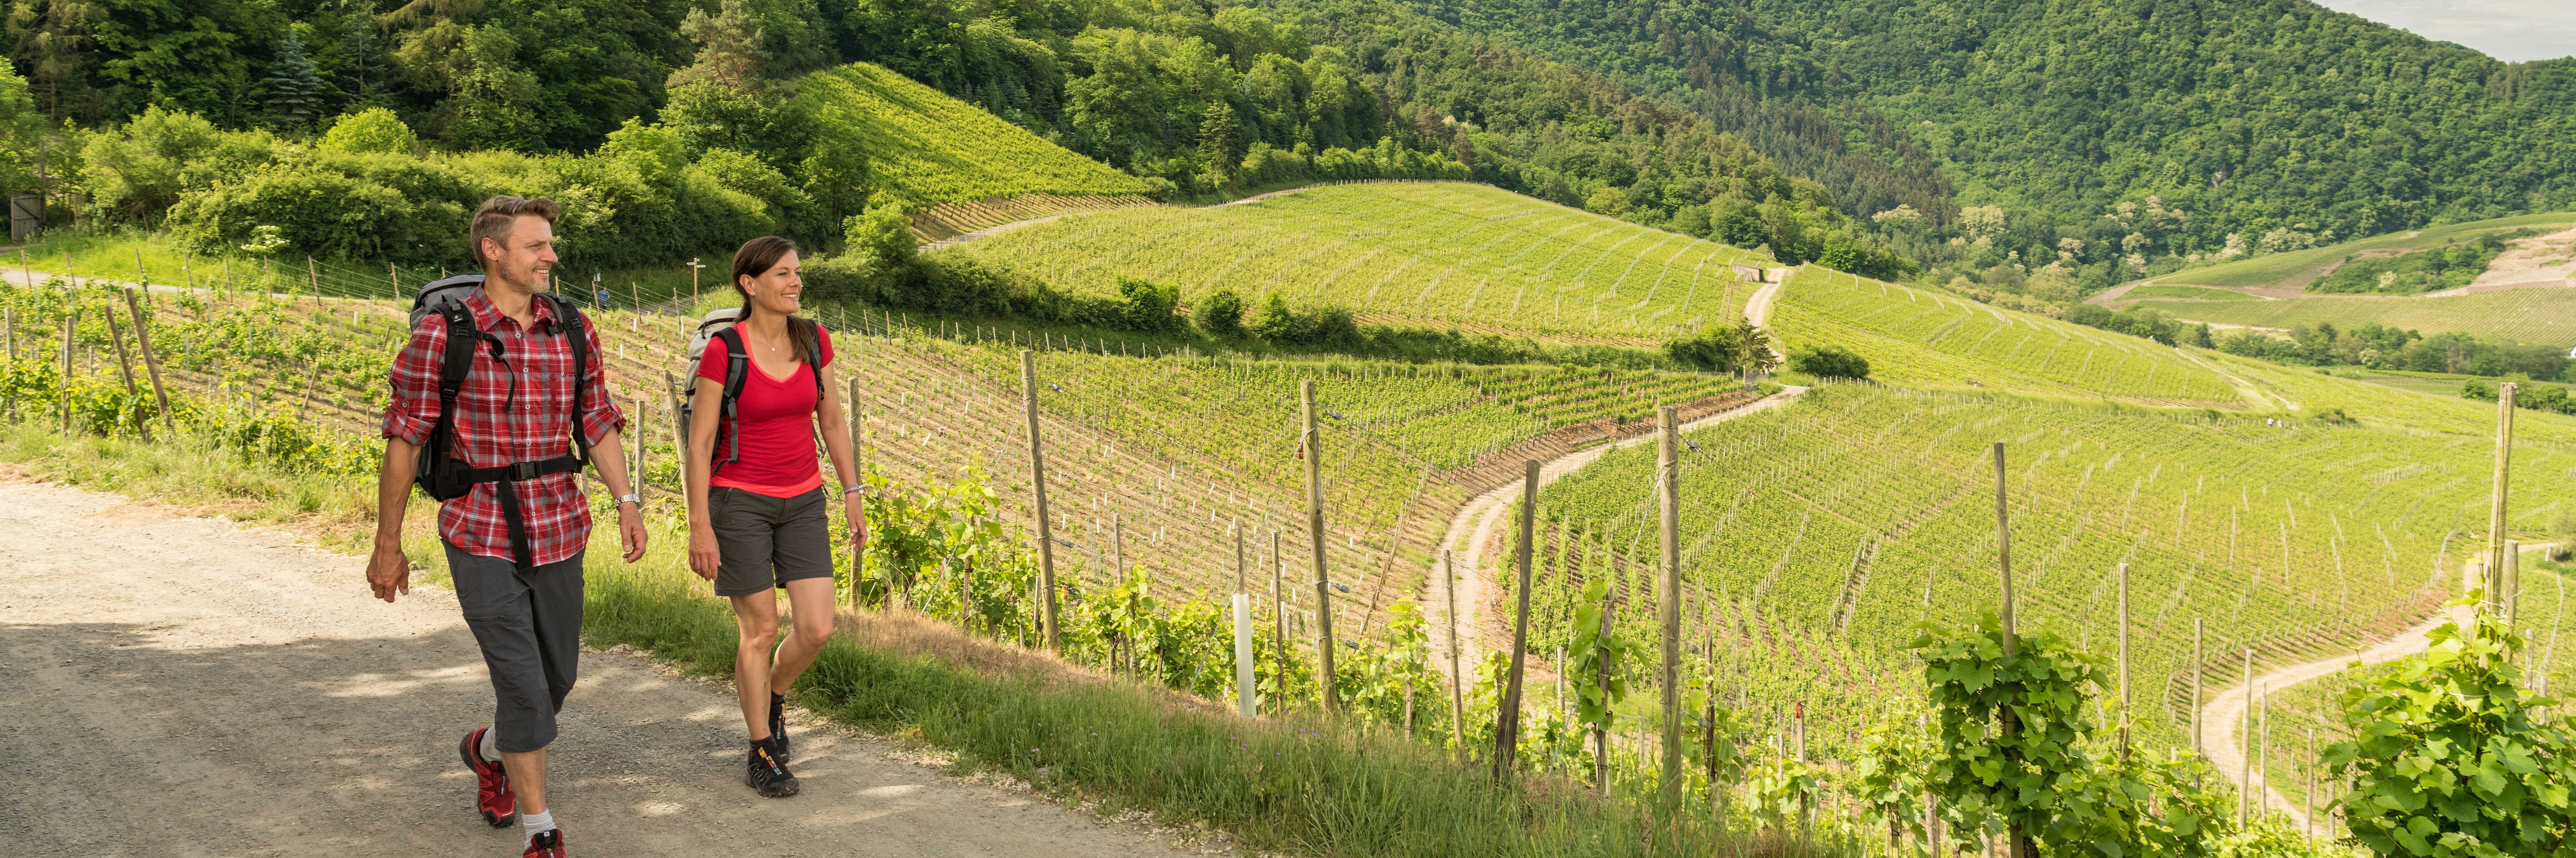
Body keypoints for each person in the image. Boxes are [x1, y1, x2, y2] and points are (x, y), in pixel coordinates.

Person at [366, 196, 648, 858]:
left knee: (558, 678)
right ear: (493, 251)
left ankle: (488, 749)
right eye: (536, 246)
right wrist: (388, 546)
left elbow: (597, 419)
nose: (551, 256)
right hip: (479, 526)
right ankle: (540, 830)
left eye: (549, 244)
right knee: (522, 682)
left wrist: (626, 500)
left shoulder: (573, 329)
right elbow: (405, 441)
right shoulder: (445, 335)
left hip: (560, 523)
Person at [684, 235, 866, 798]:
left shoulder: (815, 341)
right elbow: (701, 442)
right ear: (750, 284)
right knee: (760, 630)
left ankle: (774, 697)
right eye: (784, 275)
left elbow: (833, 422)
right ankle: (762, 748)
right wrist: (700, 524)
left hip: (805, 500)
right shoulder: (725, 351)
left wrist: (853, 490)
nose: (796, 284)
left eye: (798, 274)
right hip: (739, 503)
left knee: (817, 629)